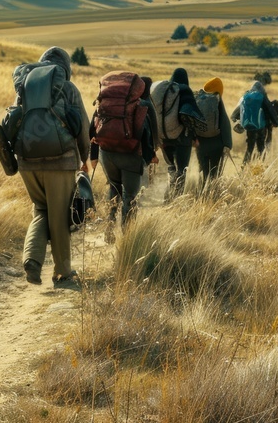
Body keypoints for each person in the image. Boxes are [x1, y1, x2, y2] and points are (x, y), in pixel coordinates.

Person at [15, 46, 90, 288]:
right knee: (59, 216)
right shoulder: (68, 88)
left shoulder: (25, 86)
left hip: (27, 160)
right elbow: (83, 127)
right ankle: (63, 272)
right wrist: (84, 157)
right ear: (65, 67)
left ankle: (32, 261)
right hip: (61, 160)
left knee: (41, 210)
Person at [88, 73, 158, 235]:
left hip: (107, 154)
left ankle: (109, 226)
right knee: (130, 196)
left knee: (113, 188)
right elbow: (145, 134)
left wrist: (93, 156)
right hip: (130, 154)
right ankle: (126, 235)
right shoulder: (140, 106)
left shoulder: (106, 105)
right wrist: (151, 156)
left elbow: (92, 129)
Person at [160, 67, 200, 200]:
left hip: (165, 137)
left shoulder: (166, 92)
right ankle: (176, 198)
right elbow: (190, 116)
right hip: (183, 138)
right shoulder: (185, 91)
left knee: (171, 168)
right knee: (182, 169)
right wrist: (194, 137)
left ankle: (167, 195)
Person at [194, 77, 233, 184]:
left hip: (200, 143)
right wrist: (228, 144)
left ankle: (202, 194)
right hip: (217, 143)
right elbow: (224, 122)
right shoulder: (217, 100)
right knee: (215, 172)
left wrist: (193, 139)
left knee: (203, 170)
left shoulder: (197, 98)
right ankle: (213, 194)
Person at [231, 80, 278, 165]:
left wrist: (234, 117)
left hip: (249, 127)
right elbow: (270, 110)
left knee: (249, 148)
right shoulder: (262, 96)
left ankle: (243, 168)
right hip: (261, 127)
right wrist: (277, 122)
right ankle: (260, 168)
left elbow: (239, 109)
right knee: (261, 148)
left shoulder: (247, 96)